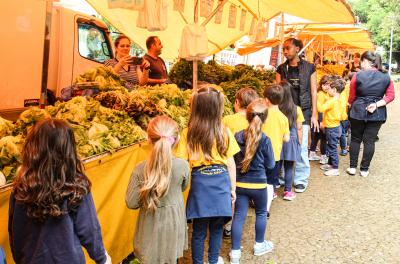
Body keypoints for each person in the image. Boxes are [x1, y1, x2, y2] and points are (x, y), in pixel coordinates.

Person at [8, 118, 109, 264]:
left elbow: (15, 231)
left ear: (33, 146)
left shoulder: (20, 187)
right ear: (68, 149)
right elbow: (89, 230)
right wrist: (102, 258)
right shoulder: (76, 186)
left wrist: (20, 258)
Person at [175, 86, 240, 264]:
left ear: (194, 107)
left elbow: (181, 164)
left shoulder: (187, 133)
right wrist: (233, 189)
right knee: (217, 230)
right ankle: (212, 261)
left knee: (198, 231)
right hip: (221, 184)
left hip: (199, 186)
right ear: (218, 108)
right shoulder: (224, 132)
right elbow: (231, 164)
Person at [125, 116, 190, 264]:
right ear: (177, 139)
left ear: (149, 139)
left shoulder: (140, 169)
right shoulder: (183, 166)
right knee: (171, 259)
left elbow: (131, 202)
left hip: (150, 226)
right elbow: (184, 187)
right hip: (174, 223)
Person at [229, 99, 275, 264]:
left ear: (246, 117)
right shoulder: (265, 139)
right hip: (259, 184)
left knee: (239, 216)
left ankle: (235, 253)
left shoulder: (237, 136)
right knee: (261, 213)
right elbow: (270, 165)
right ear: (265, 119)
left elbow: (232, 160)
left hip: (239, 184)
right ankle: (259, 245)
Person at [276, 38, 319, 193]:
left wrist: (314, 114)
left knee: (300, 147)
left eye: (288, 48)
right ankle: (281, 178)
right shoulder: (281, 68)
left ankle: (300, 179)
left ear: (298, 48)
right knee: (281, 145)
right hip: (284, 112)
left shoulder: (310, 67)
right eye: (283, 49)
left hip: (304, 110)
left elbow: (314, 91)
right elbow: (277, 91)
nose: (285, 51)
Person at [347, 51, 395, 177]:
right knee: (369, 141)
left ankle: (352, 167)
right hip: (377, 113)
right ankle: (364, 169)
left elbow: (351, 96)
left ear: (367, 61)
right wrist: (377, 104)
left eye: (362, 61)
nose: (361, 64)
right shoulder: (386, 76)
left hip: (358, 110)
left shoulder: (358, 75)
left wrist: (350, 105)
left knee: (356, 139)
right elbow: (391, 96)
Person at [222, 87, 258, 238]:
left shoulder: (227, 120)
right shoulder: (257, 120)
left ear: (236, 102)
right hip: (251, 162)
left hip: (232, 162)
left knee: (232, 192)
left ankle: (229, 225)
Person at [262, 84, 290, 203]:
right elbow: (286, 138)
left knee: (260, 179)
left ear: (266, 100)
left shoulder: (262, 114)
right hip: (275, 156)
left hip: (260, 154)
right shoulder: (283, 118)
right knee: (270, 181)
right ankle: (267, 206)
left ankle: (258, 200)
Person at [278, 81, 304, 200]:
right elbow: (299, 128)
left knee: (276, 166)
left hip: (277, 140)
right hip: (291, 140)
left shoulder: (275, 108)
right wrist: (300, 142)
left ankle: (272, 190)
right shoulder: (296, 109)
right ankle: (287, 191)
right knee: (289, 167)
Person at [319, 78, 347, 176]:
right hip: (337, 126)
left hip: (331, 128)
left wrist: (317, 98)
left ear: (334, 90)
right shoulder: (341, 100)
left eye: (329, 89)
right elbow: (344, 116)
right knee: (332, 146)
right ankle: (331, 164)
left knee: (332, 148)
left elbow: (321, 108)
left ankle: (335, 168)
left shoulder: (332, 101)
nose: (327, 90)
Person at [310, 75, 332, 164]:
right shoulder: (320, 94)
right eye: (325, 84)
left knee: (316, 137)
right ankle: (323, 156)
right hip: (321, 118)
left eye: (328, 85)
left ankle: (312, 153)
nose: (327, 86)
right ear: (321, 84)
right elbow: (320, 109)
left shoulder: (324, 93)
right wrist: (322, 121)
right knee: (323, 138)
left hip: (320, 118)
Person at [339, 70, 351, 156]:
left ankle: (344, 149)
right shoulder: (349, 89)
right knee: (347, 132)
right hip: (348, 115)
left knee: (342, 133)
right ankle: (347, 147)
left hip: (343, 115)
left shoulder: (340, 93)